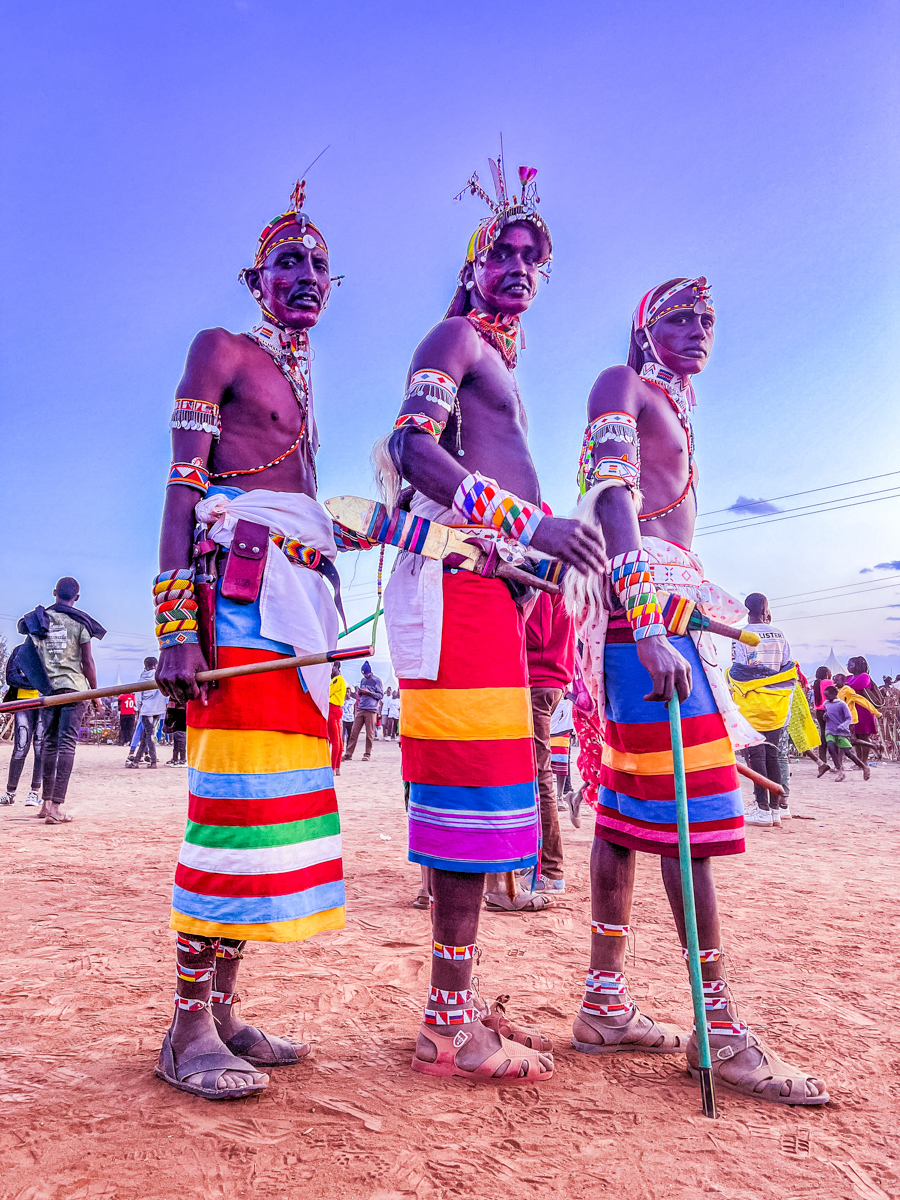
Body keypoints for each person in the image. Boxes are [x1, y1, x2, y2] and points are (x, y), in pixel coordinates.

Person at [567, 277, 827, 1105]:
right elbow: (612, 497)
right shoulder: (624, 385)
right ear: (645, 328)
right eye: (680, 316)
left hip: (665, 614)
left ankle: (605, 1005)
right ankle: (716, 1028)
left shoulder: (676, 409)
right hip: (648, 619)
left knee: (628, 810)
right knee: (693, 813)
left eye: (708, 317)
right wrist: (645, 622)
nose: (698, 328)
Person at [378, 154, 605, 1083]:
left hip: (486, 586)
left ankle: (460, 1001)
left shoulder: (497, 360)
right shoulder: (452, 339)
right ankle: (445, 1026)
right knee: (471, 795)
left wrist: (535, 562)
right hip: (452, 580)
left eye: (534, 258)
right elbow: (409, 446)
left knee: (494, 789)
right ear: (475, 265)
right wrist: (526, 524)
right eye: (504, 252)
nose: (519, 267)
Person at [152, 179, 345, 1100]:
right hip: (237, 611)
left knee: (271, 817)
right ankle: (186, 1027)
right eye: (288, 262)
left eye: (318, 265)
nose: (305, 276)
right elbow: (182, 487)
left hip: (299, 606)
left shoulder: (304, 386)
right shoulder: (220, 349)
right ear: (256, 277)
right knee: (231, 811)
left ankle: (225, 1010)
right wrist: (176, 629)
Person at [16, 578, 106, 823]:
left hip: (49, 692)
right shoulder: (79, 623)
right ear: (76, 597)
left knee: (49, 745)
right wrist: (95, 693)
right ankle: (56, 808)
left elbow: (26, 657)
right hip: (75, 691)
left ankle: (45, 804)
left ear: (54, 592)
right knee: (66, 745)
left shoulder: (39, 621)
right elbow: (87, 662)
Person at [523, 588, 575, 898]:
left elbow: (537, 634)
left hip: (537, 682)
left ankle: (550, 869)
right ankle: (536, 862)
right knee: (533, 773)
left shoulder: (542, 576)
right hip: (547, 682)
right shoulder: (559, 575)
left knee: (539, 776)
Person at [727, 592, 796, 825]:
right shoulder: (780, 634)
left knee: (756, 756)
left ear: (747, 610)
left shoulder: (742, 635)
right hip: (776, 704)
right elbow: (787, 668)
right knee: (774, 755)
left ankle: (762, 808)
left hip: (752, 703)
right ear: (766, 609)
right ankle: (776, 810)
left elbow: (739, 670)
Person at [1, 640, 52, 808]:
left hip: (44, 703)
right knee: (21, 746)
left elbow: (52, 678)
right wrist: (37, 681)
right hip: (23, 703)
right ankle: (10, 793)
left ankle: (34, 792)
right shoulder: (19, 652)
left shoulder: (49, 652)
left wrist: (27, 677)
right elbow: (10, 677)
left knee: (39, 747)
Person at [822, 686, 870, 781]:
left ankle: (864, 767)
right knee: (831, 748)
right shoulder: (826, 703)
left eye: (827, 695)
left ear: (834, 694)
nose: (826, 697)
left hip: (841, 732)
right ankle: (840, 771)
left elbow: (849, 718)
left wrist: (844, 726)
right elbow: (827, 713)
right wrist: (825, 716)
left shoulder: (842, 704)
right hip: (830, 730)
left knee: (848, 753)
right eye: (825, 696)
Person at [845, 656, 882, 761]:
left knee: (863, 736)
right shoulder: (849, 678)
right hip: (853, 710)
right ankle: (860, 761)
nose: (848, 667)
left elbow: (856, 686)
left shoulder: (864, 676)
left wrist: (844, 684)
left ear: (858, 665)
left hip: (863, 711)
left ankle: (864, 761)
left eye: (850, 665)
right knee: (855, 737)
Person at [129, 657, 164, 769]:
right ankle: (136, 761)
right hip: (158, 710)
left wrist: (141, 708)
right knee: (146, 735)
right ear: (155, 665)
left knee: (149, 736)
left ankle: (153, 761)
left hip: (146, 711)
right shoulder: (160, 677)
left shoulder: (141, 680)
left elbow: (138, 700)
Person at [344, 661, 383, 761]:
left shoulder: (377, 681)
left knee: (369, 733)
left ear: (370, 672)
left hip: (371, 710)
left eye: (365, 673)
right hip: (361, 708)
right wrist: (360, 692)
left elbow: (380, 695)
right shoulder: (363, 680)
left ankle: (367, 754)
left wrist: (369, 692)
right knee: (354, 732)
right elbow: (361, 694)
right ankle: (348, 754)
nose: (364, 675)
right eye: (363, 674)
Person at [549, 689, 575, 799]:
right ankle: (561, 794)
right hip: (556, 730)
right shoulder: (566, 690)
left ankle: (563, 793)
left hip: (560, 730)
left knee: (562, 765)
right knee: (561, 765)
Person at [811, 666, 833, 773]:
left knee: (823, 736)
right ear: (826, 673)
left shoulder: (816, 683)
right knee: (831, 736)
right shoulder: (828, 682)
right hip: (828, 710)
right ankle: (836, 763)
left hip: (819, 711)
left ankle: (823, 761)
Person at [328, 662, 347, 775]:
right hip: (338, 709)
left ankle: (332, 768)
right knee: (339, 741)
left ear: (335, 668)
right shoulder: (341, 680)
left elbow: (328, 693)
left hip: (332, 709)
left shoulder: (336, 680)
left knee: (335, 742)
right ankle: (337, 768)